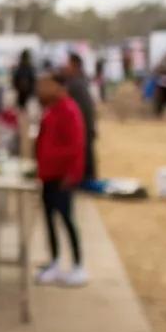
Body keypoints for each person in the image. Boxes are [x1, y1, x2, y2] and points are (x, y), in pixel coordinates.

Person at [35, 68, 87, 286]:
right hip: (48, 174)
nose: (42, 89)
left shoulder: (69, 110)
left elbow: (76, 146)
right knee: (49, 219)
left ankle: (77, 265)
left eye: (47, 84)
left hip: (62, 176)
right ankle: (55, 261)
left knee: (66, 219)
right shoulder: (51, 109)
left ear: (59, 86)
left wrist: (72, 174)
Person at [66, 51, 97, 183]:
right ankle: (87, 179)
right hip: (86, 122)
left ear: (74, 65)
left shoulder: (76, 83)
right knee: (86, 151)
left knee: (85, 152)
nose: (66, 67)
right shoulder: (81, 80)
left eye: (68, 64)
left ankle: (87, 180)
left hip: (84, 123)